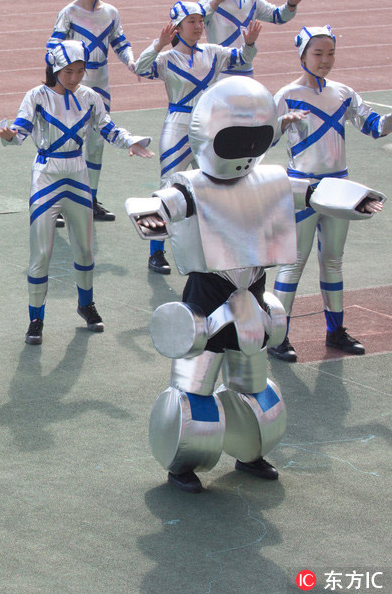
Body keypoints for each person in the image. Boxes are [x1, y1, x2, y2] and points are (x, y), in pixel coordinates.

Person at [125, 76, 380, 493]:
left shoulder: (270, 180)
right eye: (236, 140)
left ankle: (252, 451)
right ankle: (182, 461)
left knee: (253, 382)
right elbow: (163, 202)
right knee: (195, 386)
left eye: (253, 140)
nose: (245, 150)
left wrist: (353, 198)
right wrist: (151, 215)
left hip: (253, 297)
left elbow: (311, 190)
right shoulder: (193, 184)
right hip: (207, 297)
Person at [0, 41, 152, 345]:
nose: (75, 77)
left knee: (84, 250)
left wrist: (131, 141)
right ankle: (36, 319)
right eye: (69, 71)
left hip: (78, 174)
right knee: (41, 254)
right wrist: (9, 136)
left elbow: (108, 128)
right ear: (55, 68)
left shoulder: (90, 97)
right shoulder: (36, 96)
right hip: (46, 176)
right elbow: (20, 131)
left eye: (81, 71)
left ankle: (86, 305)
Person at [269, 26, 390, 362]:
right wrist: (281, 122)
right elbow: (265, 140)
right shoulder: (286, 94)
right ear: (302, 55)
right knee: (293, 265)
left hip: (339, 189)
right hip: (301, 189)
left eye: (330, 53)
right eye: (318, 54)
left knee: (333, 261)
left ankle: (335, 331)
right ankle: (278, 336)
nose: (325, 60)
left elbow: (374, 126)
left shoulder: (344, 93)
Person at [133, 1, 259, 274]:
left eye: (201, 21)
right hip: (177, 124)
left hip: (207, 126)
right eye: (192, 21)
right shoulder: (166, 59)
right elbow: (140, 68)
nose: (199, 26)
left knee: (215, 185)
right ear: (177, 27)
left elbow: (243, 58)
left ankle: (218, 247)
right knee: (167, 187)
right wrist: (158, 44)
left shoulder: (213, 53)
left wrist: (249, 44)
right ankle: (156, 252)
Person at [47, 0, 135, 223]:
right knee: (64, 142)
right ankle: (59, 202)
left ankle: (90, 200)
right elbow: (52, 49)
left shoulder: (111, 12)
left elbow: (120, 42)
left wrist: (131, 60)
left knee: (96, 145)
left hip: (101, 83)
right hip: (73, 84)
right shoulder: (69, 13)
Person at [200, 0, 307, 78]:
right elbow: (196, 24)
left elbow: (278, 16)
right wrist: (216, 2)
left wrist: (291, 4)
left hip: (247, 73)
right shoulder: (208, 0)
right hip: (219, 74)